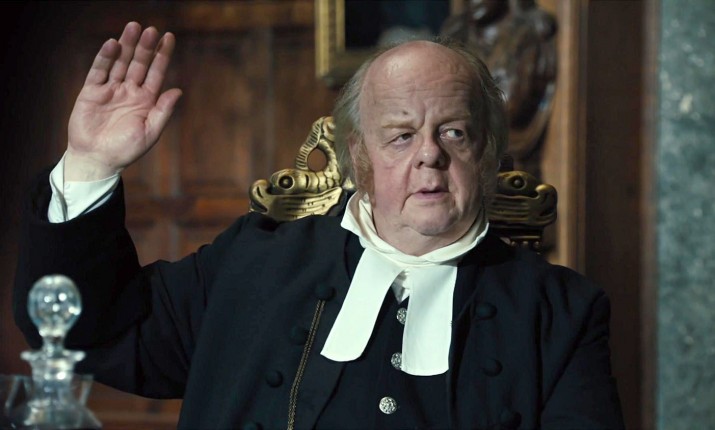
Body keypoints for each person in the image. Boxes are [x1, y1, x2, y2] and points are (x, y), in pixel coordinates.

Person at [14, 22, 624, 429]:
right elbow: (87, 332)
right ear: (359, 156)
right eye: (401, 135)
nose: (429, 155)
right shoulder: (253, 261)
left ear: (486, 154)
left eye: (454, 132)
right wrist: (90, 165)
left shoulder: (561, 313)